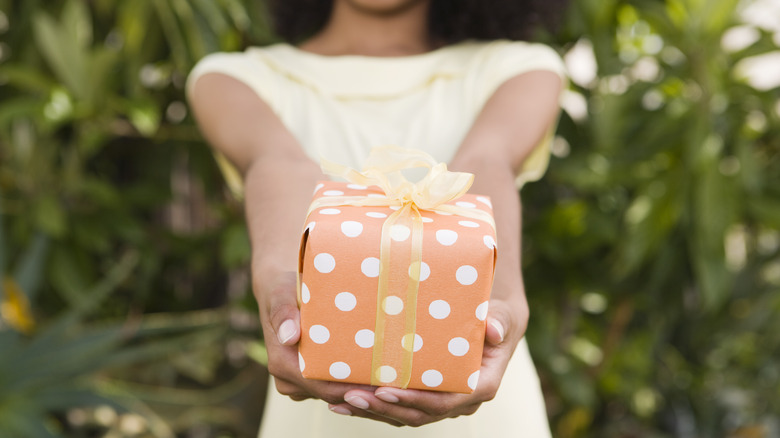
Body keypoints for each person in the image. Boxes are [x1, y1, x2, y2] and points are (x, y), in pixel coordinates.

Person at [187, 0, 567, 436]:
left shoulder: (519, 67)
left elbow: (484, 162)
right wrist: (279, 282)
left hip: (486, 406)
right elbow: (281, 165)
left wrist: (501, 302)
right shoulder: (232, 79)